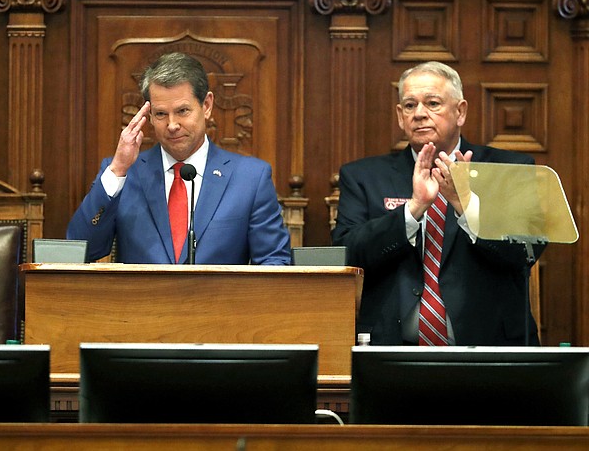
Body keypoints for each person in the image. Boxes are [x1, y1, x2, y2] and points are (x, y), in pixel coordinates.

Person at [332, 61, 543, 346]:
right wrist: (413, 210)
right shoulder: (363, 177)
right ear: (399, 116)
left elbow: (524, 252)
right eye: (409, 105)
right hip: (390, 354)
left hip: (490, 350)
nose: (419, 114)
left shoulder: (509, 169)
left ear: (460, 112)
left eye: (432, 103)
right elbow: (345, 255)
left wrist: (466, 206)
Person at [67, 52, 291, 265]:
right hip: (140, 305)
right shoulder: (124, 174)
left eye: (183, 111)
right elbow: (80, 248)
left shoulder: (251, 178)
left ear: (206, 106)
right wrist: (118, 170)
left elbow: (275, 262)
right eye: (161, 114)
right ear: (150, 116)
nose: (172, 125)